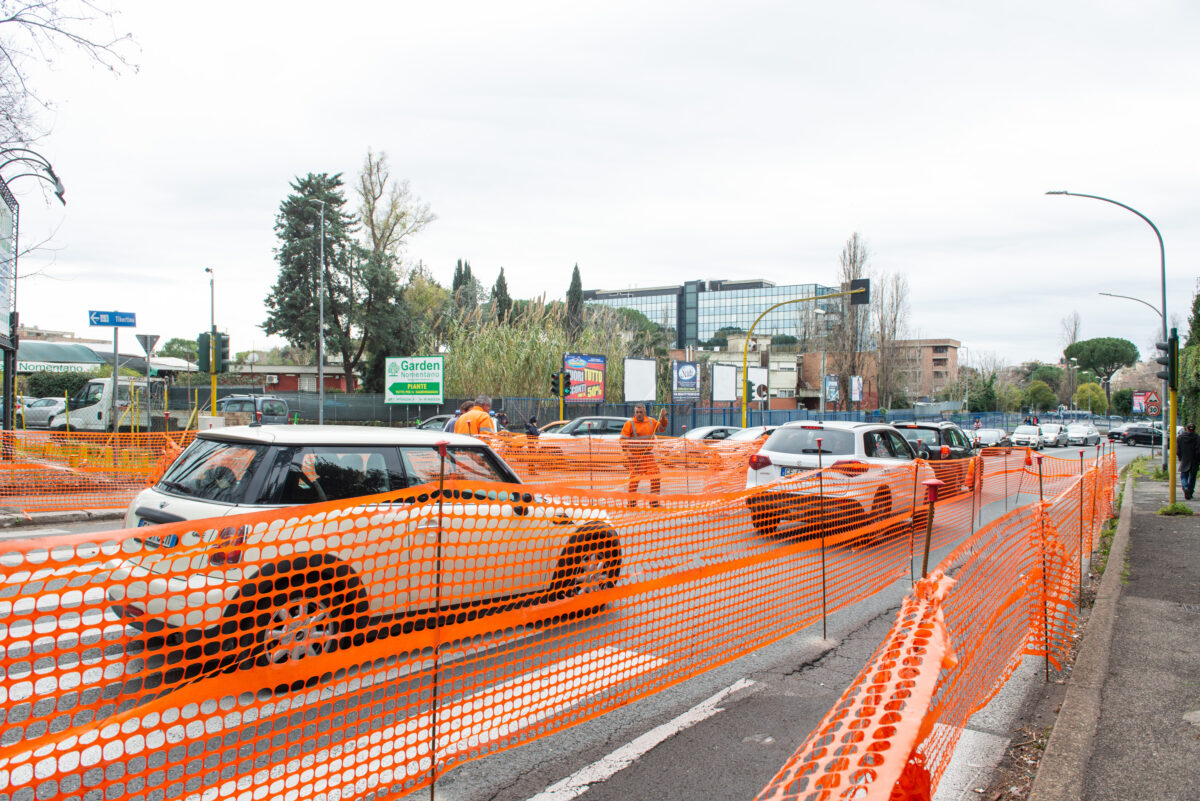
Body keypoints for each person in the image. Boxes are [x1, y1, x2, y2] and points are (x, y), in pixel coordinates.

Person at [620, 404, 668, 506]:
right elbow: (623, 441)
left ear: (645, 412)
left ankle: (654, 501)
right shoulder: (629, 424)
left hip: (648, 456)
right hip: (635, 456)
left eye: (641, 412)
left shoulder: (651, 421)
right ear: (634, 413)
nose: (639, 414)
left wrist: (663, 417)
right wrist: (629, 455)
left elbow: (662, 428)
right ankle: (631, 502)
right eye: (637, 412)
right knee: (634, 480)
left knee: (656, 476)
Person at [1178, 422, 1200, 500]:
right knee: (1192, 477)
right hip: (1194, 460)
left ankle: (1185, 487)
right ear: (1194, 429)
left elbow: (1178, 450)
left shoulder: (1180, 437)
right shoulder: (1197, 437)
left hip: (1184, 460)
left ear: (1186, 429)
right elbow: (1198, 451)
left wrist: (1180, 457)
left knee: (1183, 476)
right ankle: (1190, 492)